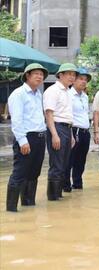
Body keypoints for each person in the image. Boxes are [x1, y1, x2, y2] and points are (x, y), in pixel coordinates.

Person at [6, 64, 48, 212]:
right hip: (26, 137)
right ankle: (11, 209)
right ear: (27, 76)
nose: (39, 77)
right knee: (19, 173)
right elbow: (16, 121)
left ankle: (28, 204)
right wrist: (22, 140)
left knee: (34, 173)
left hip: (40, 137)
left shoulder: (38, 94)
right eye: (36, 73)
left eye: (41, 75)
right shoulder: (18, 94)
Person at [43, 63, 77, 201]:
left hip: (67, 129)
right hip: (56, 128)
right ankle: (52, 197)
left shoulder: (68, 91)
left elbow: (67, 115)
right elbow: (49, 114)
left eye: (74, 75)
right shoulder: (53, 90)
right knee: (56, 164)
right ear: (60, 75)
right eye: (69, 74)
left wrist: (71, 135)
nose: (72, 77)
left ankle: (58, 195)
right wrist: (55, 135)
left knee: (64, 163)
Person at [64, 68, 91, 191]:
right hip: (73, 131)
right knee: (69, 160)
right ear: (74, 80)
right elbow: (67, 115)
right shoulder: (68, 95)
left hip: (85, 132)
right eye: (81, 79)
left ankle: (78, 184)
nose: (84, 82)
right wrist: (70, 134)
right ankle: (66, 186)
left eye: (85, 80)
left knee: (81, 161)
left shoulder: (85, 96)